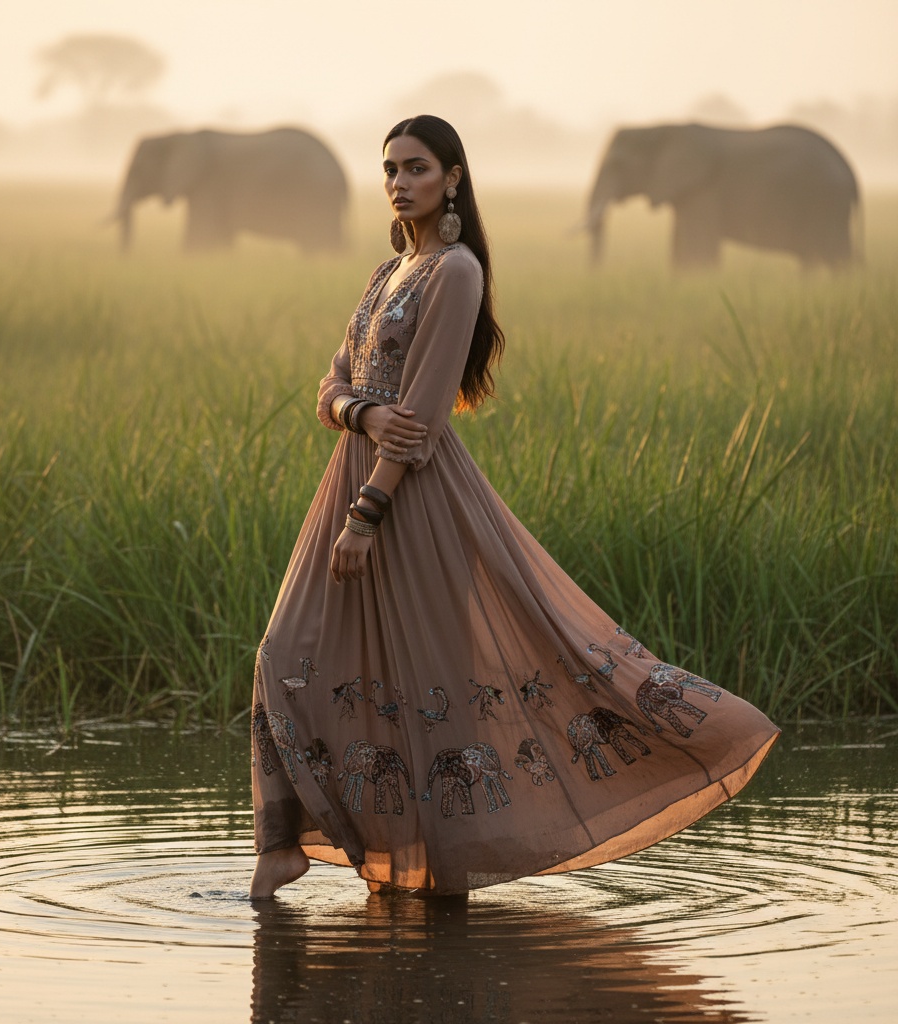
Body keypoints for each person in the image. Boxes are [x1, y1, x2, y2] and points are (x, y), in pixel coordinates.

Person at [249, 115, 779, 899]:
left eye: (416, 168)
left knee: (431, 686)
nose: (398, 182)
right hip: (352, 484)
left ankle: (435, 871)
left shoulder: (455, 272)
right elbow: (327, 386)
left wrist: (368, 515)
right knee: (282, 655)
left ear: (453, 177)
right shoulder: (383, 273)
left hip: (409, 502)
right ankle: (291, 845)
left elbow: (424, 420)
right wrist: (358, 414)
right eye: (389, 168)